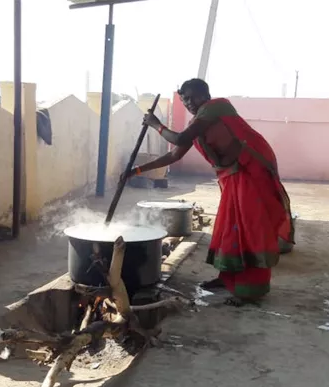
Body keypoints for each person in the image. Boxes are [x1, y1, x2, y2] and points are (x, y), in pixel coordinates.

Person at [123, 78, 294, 306]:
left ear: (206, 95)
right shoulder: (199, 121)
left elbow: (181, 138)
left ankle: (250, 291)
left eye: (194, 97)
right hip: (232, 174)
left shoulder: (216, 108)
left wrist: (156, 124)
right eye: (185, 99)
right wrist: (137, 170)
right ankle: (228, 278)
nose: (190, 102)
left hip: (250, 170)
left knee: (249, 227)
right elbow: (174, 155)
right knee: (229, 227)